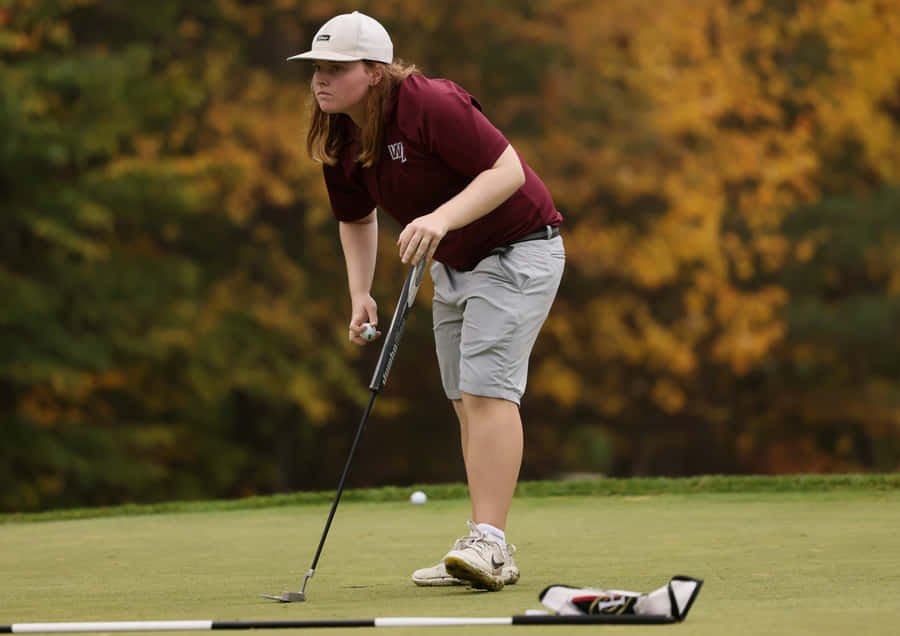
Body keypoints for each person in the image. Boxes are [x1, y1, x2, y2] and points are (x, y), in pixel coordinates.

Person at [288, 11, 564, 591]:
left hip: (520, 248)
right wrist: (359, 291)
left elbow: (507, 171)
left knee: (487, 390)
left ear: (376, 70)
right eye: (317, 68)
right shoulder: (341, 134)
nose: (321, 79)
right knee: (465, 399)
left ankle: (487, 541)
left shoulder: (430, 104)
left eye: (336, 68)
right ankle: (490, 545)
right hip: (458, 264)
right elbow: (355, 216)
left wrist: (438, 218)